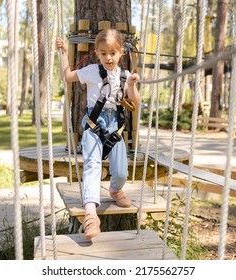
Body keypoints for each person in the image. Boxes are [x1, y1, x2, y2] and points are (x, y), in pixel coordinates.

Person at [57, 29, 141, 240]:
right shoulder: (92, 71)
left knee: (121, 172)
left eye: (113, 53)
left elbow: (135, 102)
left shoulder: (125, 76)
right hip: (94, 125)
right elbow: (67, 76)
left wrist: (131, 85)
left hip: (115, 127)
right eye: (103, 53)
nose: (108, 57)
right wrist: (63, 53)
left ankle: (115, 190)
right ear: (97, 53)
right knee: (93, 166)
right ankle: (91, 215)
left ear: (121, 53)